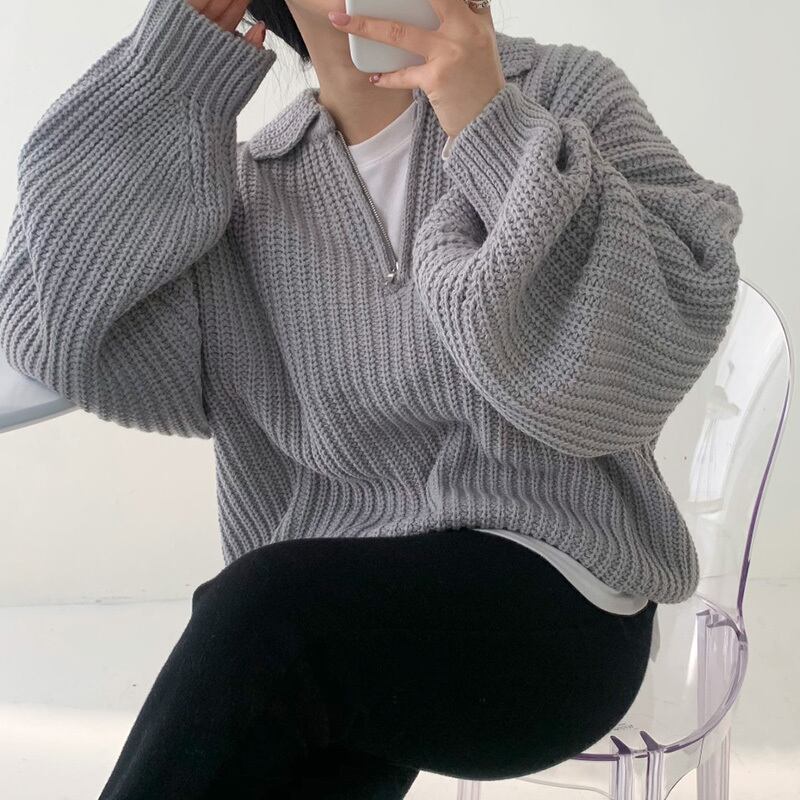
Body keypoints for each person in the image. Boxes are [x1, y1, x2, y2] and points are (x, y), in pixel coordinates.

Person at [0, 0, 742, 796]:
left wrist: (490, 125)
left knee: (266, 618)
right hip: (350, 610)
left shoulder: (564, 91)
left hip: (563, 603)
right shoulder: (249, 195)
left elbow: (646, 350)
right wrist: (164, 80)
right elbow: (52, 331)